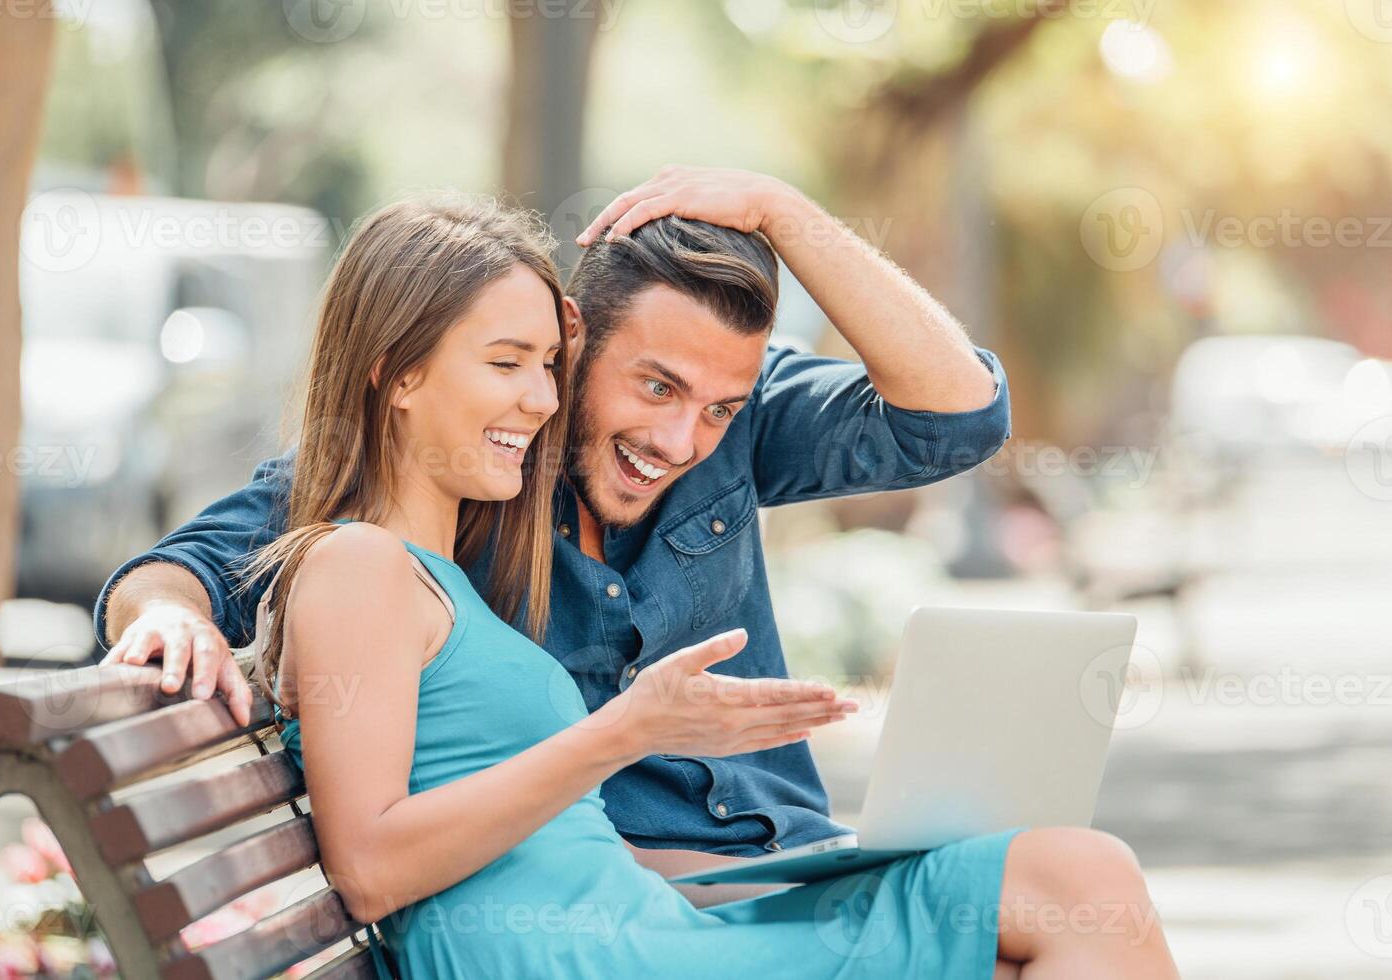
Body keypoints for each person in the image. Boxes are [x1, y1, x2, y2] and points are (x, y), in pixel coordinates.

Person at [175, 192, 1175, 978]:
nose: (538, 400)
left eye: (542, 365)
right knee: (1074, 878)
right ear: (396, 374)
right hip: (593, 948)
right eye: (508, 363)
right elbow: (368, 865)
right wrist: (626, 728)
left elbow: (955, 416)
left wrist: (781, 212)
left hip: (637, 922)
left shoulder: (436, 563)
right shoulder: (360, 561)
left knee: (1064, 902)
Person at [96, 168, 1011, 876]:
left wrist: (780, 211)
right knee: (1039, 891)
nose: (680, 437)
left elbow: (960, 420)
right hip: (630, 887)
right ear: (574, 338)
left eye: (719, 407)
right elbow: (189, 567)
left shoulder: (736, 417)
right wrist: (164, 614)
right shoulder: (453, 470)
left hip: (793, 858)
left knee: (1032, 891)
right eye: (655, 386)